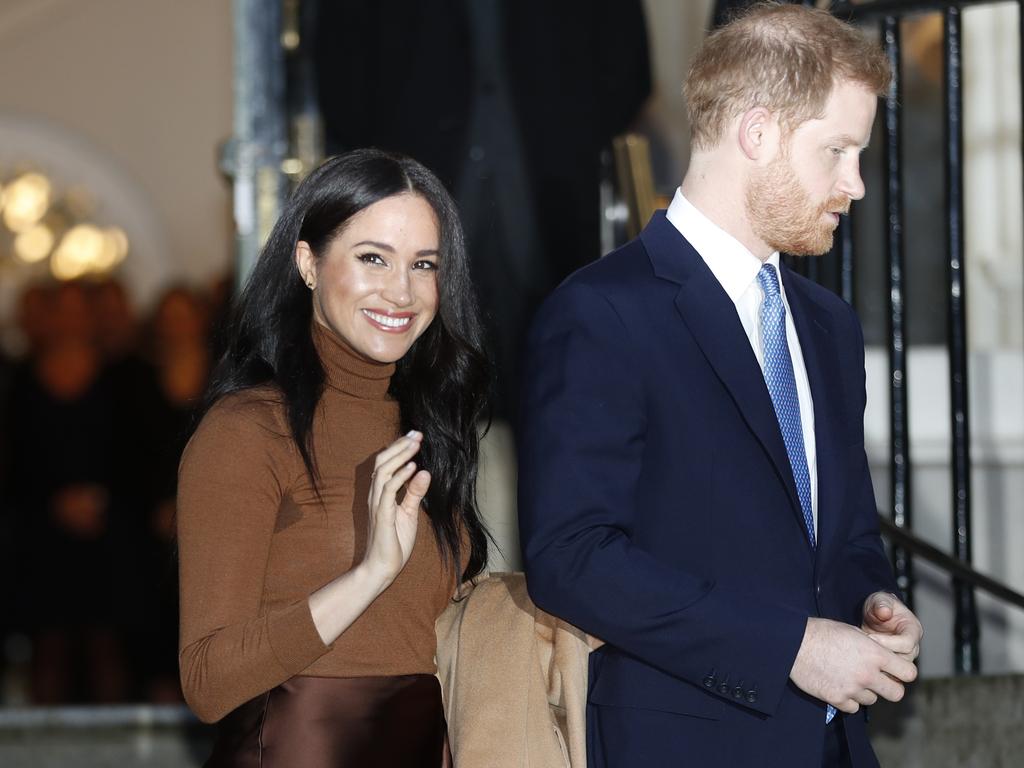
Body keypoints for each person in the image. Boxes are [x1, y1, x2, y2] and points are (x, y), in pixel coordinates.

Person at [517, 5, 924, 767]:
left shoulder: (828, 324)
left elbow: (847, 535)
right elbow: (571, 558)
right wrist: (791, 647)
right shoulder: (602, 310)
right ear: (758, 132)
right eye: (837, 150)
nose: (856, 184)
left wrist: (872, 602)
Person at [177, 149, 490, 766]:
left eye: (423, 264)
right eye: (372, 257)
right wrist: (371, 573)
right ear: (308, 263)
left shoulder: (431, 431)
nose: (401, 291)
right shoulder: (247, 430)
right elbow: (208, 682)